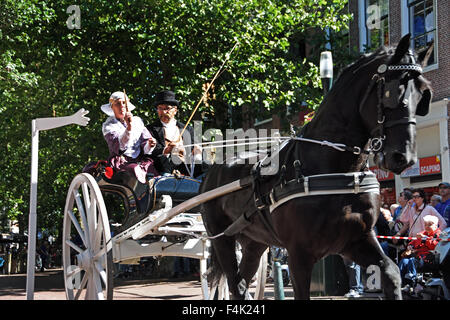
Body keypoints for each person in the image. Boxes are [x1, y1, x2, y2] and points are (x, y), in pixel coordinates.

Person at [101, 91, 159, 183]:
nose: (122, 106)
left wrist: (150, 144)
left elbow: (145, 141)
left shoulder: (137, 121)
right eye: (117, 104)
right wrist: (129, 127)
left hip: (140, 160)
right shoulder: (109, 126)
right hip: (122, 162)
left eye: (124, 103)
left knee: (153, 172)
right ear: (112, 107)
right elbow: (120, 147)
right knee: (134, 170)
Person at [147, 90, 204, 177]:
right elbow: (149, 152)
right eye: (160, 108)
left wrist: (196, 150)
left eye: (167, 108)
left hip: (186, 169)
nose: (163, 112)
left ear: (175, 110)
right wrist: (166, 150)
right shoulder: (150, 129)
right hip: (162, 170)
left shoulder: (187, 129)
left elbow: (194, 147)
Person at [398, 215, 441, 293]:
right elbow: (412, 242)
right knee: (404, 262)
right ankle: (400, 283)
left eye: (429, 224)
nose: (427, 226)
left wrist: (425, 238)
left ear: (436, 225)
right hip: (417, 257)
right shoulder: (422, 233)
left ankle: (411, 284)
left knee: (412, 261)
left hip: (429, 260)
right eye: (425, 224)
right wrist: (410, 246)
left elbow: (434, 246)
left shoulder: (438, 234)